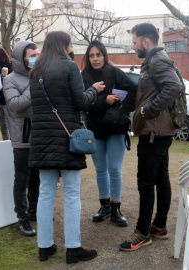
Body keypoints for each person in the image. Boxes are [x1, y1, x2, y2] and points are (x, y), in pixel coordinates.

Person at [28, 31, 105, 264]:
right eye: (71, 43)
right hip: (66, 137)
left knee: (45, 193)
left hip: (42, 139)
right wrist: (95, 90)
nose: (73, 47)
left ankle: (44, 246)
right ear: (64, 45)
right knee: (71, 193)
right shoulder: (70, 67)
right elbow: (80, 101)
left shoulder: (35, 71)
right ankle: (73, 248)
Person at [118, 23, 182, 251]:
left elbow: (173, 86)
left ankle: (142, 232)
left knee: (146, 183)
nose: (133, 46)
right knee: (160, 178)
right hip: (159, 132)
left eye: (134, 42)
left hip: (154, 131)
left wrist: (149, 109)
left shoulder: (156, 60)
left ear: (146, 41)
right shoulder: (156, 60)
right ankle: (160, 227)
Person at [81, 40, 137, 227]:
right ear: (88, 58)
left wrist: (122, 110)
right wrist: (105, 100)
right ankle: (104, 206)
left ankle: (115, 209)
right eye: (92, 55)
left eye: (99, 54)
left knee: (114, 168)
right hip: (95, 128)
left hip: (115, 127)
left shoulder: (114, 72)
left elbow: (134, 89)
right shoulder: (84, 76)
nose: (95, 58)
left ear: (104, 55)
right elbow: (84, 104)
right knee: (100, 169)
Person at [3, 41, 40, 237]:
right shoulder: (10, 80)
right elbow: (15, 105)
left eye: (37, 53)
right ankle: (22, 217)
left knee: (37, 176)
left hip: (40, 135)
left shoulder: (40, 76)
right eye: (31, 54)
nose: (36, 57)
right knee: (22, 178)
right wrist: (33, 84)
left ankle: (34, 209)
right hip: (22, 137)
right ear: (20, 58)